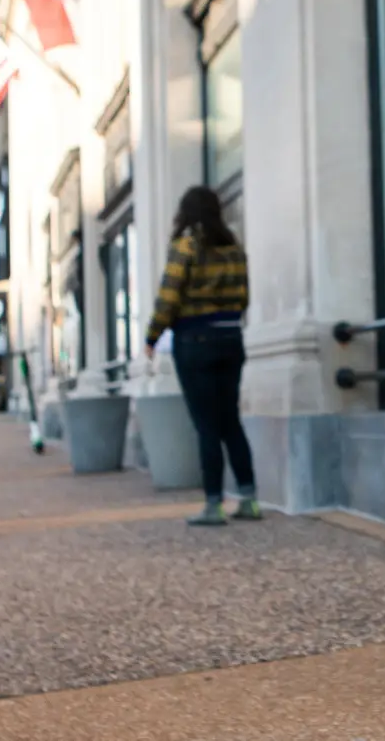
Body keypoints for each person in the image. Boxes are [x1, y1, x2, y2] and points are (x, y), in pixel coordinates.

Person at [145, 186, 261, 527]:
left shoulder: (186, 246)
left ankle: (213, 504)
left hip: (195, 339)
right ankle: (250, 499)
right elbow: (244, 298)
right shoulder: (234, 248)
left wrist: (152, 335)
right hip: (230, 336)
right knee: (230, 421)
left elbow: (169, 295)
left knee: (206, 425)